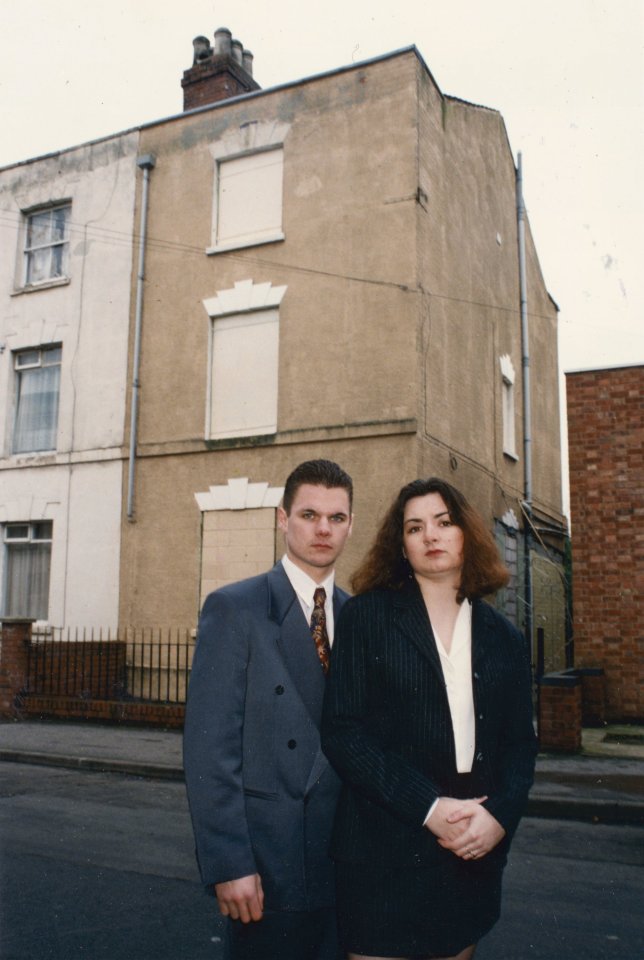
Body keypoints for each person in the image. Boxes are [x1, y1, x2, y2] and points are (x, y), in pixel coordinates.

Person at [321, 477, 537, 960]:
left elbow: (521, 746)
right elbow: (343, 733)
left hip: (469, 849)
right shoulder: (367, 618)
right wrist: (428, 808)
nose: (431, 536)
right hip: (383, 848)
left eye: (444, 522)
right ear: (401, 545)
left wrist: (500, 817)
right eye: (414, 527)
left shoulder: (503, 636)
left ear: (467, 534)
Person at [184, 459, 354, 960]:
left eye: (337, 518)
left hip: (345, 869)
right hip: (268, 868)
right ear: (283, 519)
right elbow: (209, 751)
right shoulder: (235, 608)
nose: (323, 529)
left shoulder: (358, 614)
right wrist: (229, 863)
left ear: (350, 525)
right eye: (309, 514)